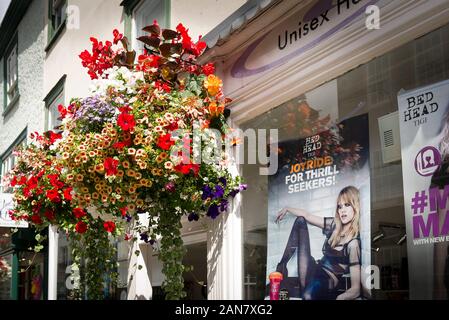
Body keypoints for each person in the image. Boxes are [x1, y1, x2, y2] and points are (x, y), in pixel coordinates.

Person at [275, 186, 362, 300]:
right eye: (340, 207)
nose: (343, 210)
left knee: (306, 295)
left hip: (326, 281)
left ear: (355, 206)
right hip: (316, 268)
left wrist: (340, 298)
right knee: (300, 220)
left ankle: (302, 290)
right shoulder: (334, 225)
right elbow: (307, 216)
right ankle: (282, 266)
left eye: (347, 205)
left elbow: (356, 289)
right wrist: (287, 208)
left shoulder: (353, 244)